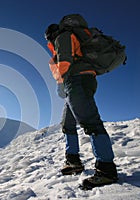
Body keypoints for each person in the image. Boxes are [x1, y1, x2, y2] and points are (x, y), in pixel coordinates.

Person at [44, 14, 118, 189]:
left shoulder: (63, 37)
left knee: (90, 122)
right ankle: (73, 161)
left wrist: (61, 81)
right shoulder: (64, 38)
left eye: (47, 37)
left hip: (77, 80)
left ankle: (106, 170)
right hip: (75, 82)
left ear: (51, 34)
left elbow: (66, 61)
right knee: (67, 124)